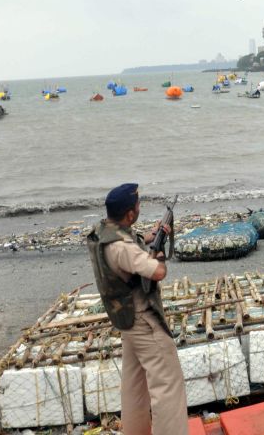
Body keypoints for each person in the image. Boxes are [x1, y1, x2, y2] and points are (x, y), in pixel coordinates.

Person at [87, 183, 189, 435]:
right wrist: (160, 252)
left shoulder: (102, 231)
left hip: (126, 320)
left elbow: (127, 242)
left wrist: (151, 237)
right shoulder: (123, 248)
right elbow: (157, 272)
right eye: (137, 207)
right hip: (144, 320)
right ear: (130, 214)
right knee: (168, 386)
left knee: (134, 386)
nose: (139, 209)